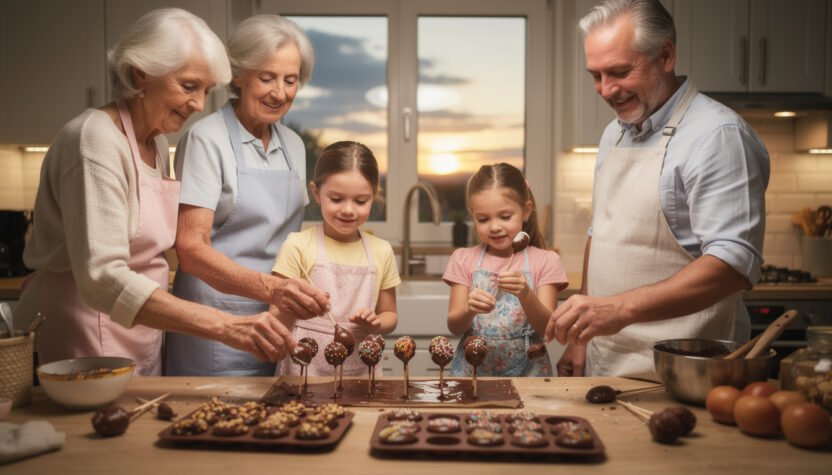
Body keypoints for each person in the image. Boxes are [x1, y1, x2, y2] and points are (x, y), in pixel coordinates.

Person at [18, 8, 299, 376]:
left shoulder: (156, 141)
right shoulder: (94, 139)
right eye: (188, 86)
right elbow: (102, 278)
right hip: (91, 330)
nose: (199, 104)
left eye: (206, 90)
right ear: (141, 74)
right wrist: (225, 325)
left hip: (143, 328)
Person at [545, 0, 769, 381]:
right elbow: (599, 235)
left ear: (665, 55)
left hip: (688, 374)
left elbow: (734, 265)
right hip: (607, 366)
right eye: (595, 75)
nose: (605, 90)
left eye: (618, 72)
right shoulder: (613, 133)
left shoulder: (717, 136)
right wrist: (581, 339)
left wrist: (619, 309)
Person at [165, 15, 330, 377]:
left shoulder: (293, 145)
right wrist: (274, 289)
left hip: (277, 321)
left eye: (290, 80)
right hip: (216, 323)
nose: (280, 92)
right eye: (266, 77)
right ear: (237, 76)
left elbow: (291, 243)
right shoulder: (207, 139)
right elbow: (191, 249)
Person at [273, 141, 400, 377]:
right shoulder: (297, 246)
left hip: (362, 370)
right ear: (316, 193)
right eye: (337, 199)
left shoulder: (381, 251)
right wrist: (297, 305)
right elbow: (276, 318)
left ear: (374, 195)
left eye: (361, 201)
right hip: (304, 370)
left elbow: (390, 314)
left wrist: (376, 323)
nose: (349, 210)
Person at [443, 163, 568, 377]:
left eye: (505, 216)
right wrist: (469, 309)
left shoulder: (546, 261)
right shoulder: (463, 259)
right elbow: (454, 326)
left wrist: (526, 295)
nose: (494, 226)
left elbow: (548, 329)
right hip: (472, 375)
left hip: (529, 375)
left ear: (526, 211)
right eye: (483, 219)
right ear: (473, 216)